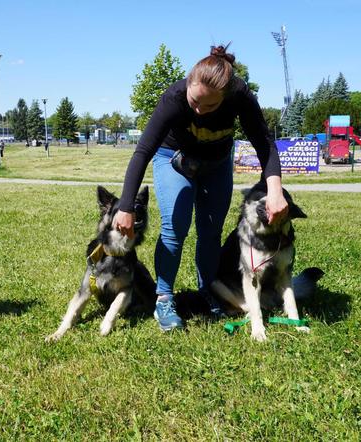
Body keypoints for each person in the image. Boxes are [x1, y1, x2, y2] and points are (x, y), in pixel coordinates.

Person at [112, 44, 289, 332]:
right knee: (175, 225)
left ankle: (208, 291)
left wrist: (275, 190)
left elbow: (264, 144)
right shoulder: (173, 97)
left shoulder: (240, 95)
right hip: (173, 158)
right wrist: (125, 206)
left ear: (226, 95)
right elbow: (143, 151)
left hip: (216, 163)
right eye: (195, 102)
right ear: (189, 85)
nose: (199, 110)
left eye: (209, 106)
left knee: (211, 230)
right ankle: (164, 298)